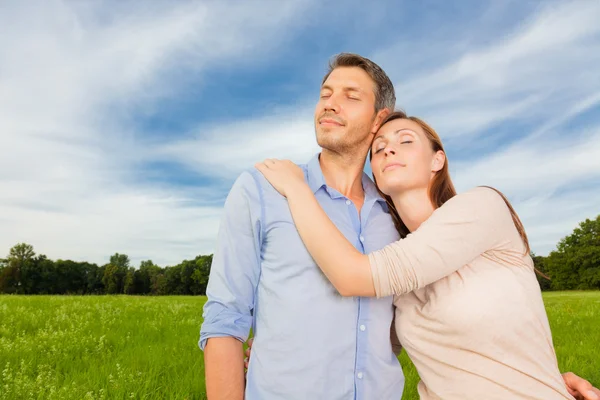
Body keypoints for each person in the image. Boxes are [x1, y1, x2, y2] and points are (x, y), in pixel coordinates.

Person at [200, 52, 598, 400]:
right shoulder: (260, 189)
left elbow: (359, 284)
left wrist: (538, 381)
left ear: (379, 119)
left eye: (350, 96)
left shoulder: (447, 217)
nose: (329, 104)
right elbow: (225, 316)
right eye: (325, 94)